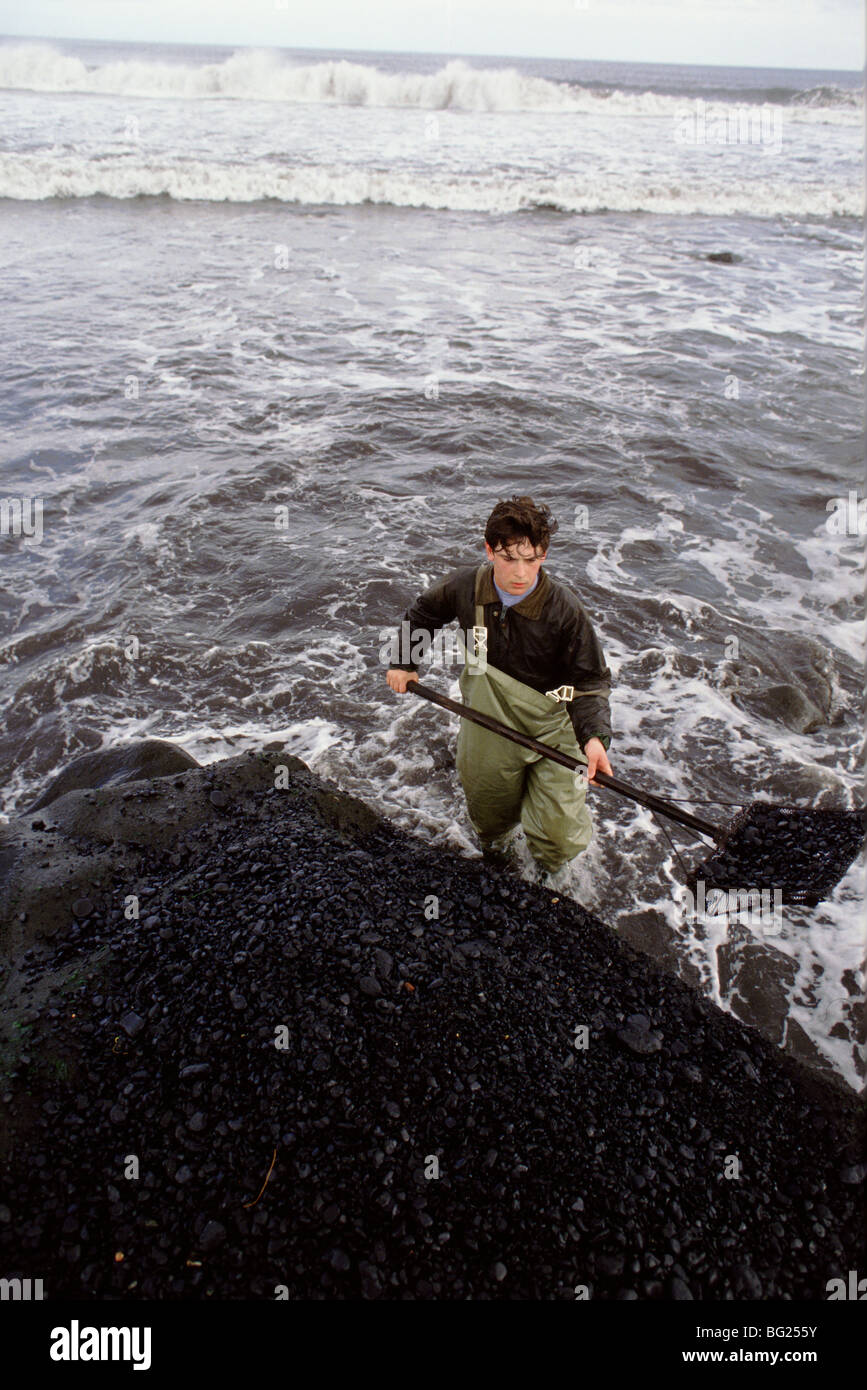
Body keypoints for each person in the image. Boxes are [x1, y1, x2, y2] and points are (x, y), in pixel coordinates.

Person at [385, 495, 613, 888]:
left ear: (545, 554)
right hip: (488, 721)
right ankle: (500, 873)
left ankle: (550, 887)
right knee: (489, 819)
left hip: (553, 728)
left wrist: (594, 738)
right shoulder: (464, 587)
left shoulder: (565, 611)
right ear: (490, 551)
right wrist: (404, 662)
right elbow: (424, 613)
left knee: (558, 835)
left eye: (533, 559)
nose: (521, 572)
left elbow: (589, 681)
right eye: (510, 559)